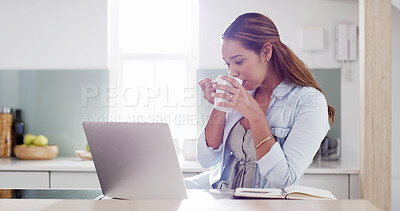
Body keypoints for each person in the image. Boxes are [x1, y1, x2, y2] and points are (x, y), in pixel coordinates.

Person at [184, 12, 334, 189]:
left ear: (266, 51)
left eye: (238, 61)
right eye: (227, 64)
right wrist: (220, 105)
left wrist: (255, 115)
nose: (231, 71)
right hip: (225, 198)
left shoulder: (309, 101)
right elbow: (206, 159)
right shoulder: (241, 93)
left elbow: (284, 179)